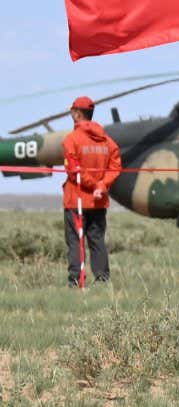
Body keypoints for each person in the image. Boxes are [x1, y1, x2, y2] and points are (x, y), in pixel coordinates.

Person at [62, 97, 122, 287]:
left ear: (77, 113)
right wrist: (102, 185)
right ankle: (103, 279)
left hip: (76, 201)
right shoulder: (108, 142)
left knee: (75, 242)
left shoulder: (71, 140)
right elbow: (116, 168)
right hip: (98, 202)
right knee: (97, 241)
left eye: (72, 111)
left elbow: (73, 171)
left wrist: (94, 185)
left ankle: (76, 281)